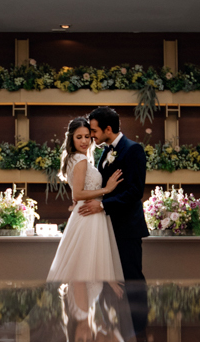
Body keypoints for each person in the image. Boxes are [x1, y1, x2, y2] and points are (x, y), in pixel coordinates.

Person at [46, 116, 126, 282]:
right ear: (71, 139)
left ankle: (80, 308)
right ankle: (82, 308)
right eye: (79, 137)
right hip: (88, 216)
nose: (84, 141)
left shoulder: (74, 158)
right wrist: (107, 189)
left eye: (87, 136)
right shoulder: (80, 159)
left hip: (86, 212)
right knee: (84, 270)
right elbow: (77, 194)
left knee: (81, 269)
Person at [77, 106, 149, 281]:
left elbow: (135, 191)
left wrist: (102, 205)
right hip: (107, 225)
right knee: (112, 281)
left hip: (127, 227)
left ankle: (138, 310)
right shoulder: (106, 151)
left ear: (108, 129)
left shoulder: (133, 149)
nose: (92, 136)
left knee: (131, 277)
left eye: (94, 131)